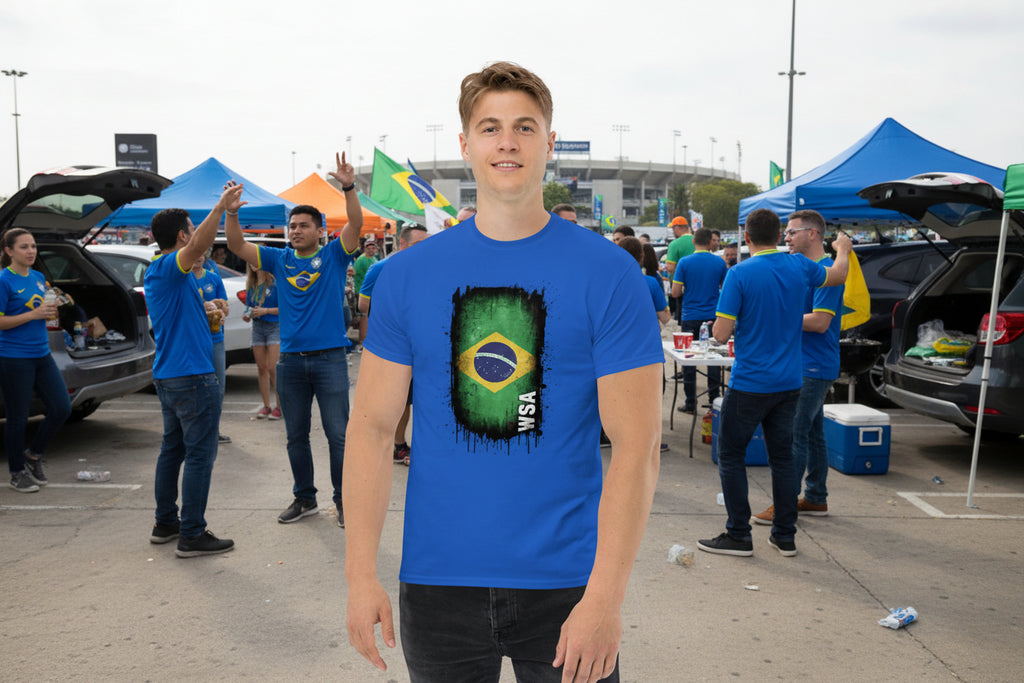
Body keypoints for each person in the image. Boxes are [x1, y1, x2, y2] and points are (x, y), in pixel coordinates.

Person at [344, 61, 663, 681]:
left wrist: (605, 598)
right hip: (438, 583)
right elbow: (373, 429)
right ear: (466, 146)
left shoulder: (610, 273)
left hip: (568, 581)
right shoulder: (409, 275)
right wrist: (360, 575)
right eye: (490, 128)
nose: (507, 142)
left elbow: (638, 446)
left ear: (549, 141)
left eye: (525, 126)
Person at [697, 208, 851, 559]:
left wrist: (732, 323)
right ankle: (785, 535)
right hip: (790, 381)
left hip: (751, 381)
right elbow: (838, 275)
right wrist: (843, 248)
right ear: (779, 233)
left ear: (747, 238)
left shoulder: (739, 274)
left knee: (731, 454)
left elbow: (720, 334)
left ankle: (738, 534)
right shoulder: (798, 266)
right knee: (782, 458)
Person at [225, 152, 362, 528]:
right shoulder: (277, 259)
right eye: (292, 226)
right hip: (291, 362)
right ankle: (305, 499)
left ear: (320, 231)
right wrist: (231, 212)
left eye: (303, 226)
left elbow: (356, 222)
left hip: (330, 359)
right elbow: (237, 246)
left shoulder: (335, 255)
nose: (296, 231)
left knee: (338, 437)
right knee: (295, 436)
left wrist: (348, 187)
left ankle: (343, 500)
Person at [145, 183, 244, 558]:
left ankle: (166, 522)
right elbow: (198, 247)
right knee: (200, 455)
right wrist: (220, 206)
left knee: (173, 449)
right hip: (191, 375)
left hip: (173, 374)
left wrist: (206, 309)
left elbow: (178, 314)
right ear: (183, 235)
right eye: (190, 229)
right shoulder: (170, 267)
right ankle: (192, 533)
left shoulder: (169, 275)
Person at [754, 210, 843, 525]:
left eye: (792, 232)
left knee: (794, 435)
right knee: (814, 432)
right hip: (805, 363)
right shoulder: (806, 270)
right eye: (786, 233)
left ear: (813, 234)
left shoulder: (827, 272)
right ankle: (816, 497)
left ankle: (784, 505)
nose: (786, 238)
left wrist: (774, 319)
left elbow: (820, 322)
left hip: (814, 366)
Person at [0, 228, 72, 493]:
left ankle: (33, 455)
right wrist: (32, 315)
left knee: (62, 407)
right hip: (13, 357)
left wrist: (51, 311)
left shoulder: (39, 277)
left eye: (33, 246)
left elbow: (43, 310)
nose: (31, 251)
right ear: (9, 251)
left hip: (42, 353)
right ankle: (17, 472)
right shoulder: (3, 281)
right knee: (17, 417)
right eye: (24, 247)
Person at [358, 224, 429, 466]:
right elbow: (363, 306)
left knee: (419, 400)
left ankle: (410, 446)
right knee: (395, 402)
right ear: (402, 243)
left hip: (424, 347)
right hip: (392, 348)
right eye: (419, 244)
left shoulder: (430, 269)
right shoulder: (380, 269)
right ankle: (396, 446)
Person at [670, 227, 728, 413]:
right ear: (711, 242)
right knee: (714, 358)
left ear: (694, 241)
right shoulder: (719, 263)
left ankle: (690, 402)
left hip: (689, 316)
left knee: (688, 359)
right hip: (713, 316)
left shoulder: (684, 262)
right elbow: (726, 289)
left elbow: (675, 292)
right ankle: (714, 399)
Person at [191, 255, 231, 444]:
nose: (198, 257)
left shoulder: (213, 278)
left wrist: (220, 310)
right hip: (195, 340)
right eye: (195, 252)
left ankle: (213, 431)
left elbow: (226, 307)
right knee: (197, 386)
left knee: (218, 387)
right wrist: (202, 307)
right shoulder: (185, 279)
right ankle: (197, 431)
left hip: (215, 339)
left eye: (201, 253)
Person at [242, 262, 281, 420]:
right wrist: (247, 314)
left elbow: (284, 308)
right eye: (250, 261)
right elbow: (248, 308)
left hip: (274, 326)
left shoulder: (275, 283)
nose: (253, 264)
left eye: (256, 261)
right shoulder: (251, 285)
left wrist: (265, 311)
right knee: (261, 368)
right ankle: (266, 406)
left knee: (273, 367)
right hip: (258, 327)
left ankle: (279, 406)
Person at [665, 216, 693, 321]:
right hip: (700, 286)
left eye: (673, 228)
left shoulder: (674, 244)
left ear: (678, 228)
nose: (673, 231)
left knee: (683, 319)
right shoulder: (697, 240)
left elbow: (670, 267)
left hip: (681, 288)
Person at [352, 237, 379, 346]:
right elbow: (355, 273)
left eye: (373, 248)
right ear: (364, 249)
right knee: (364, 316)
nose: (371, 250)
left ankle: (369, 339)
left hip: (371, 292)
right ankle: (363, 340)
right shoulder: (361, 260)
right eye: (369, 248)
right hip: (363, 292)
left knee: (370, 316)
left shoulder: (374, 259)